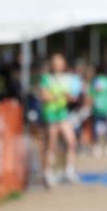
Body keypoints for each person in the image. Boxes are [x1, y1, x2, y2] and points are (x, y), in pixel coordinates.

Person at [38, 52, 80, 186]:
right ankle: (47, 173)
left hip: (63, 115)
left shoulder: (68, 79)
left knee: (72, 141)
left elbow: (73, 96)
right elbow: (44, 96)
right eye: (55, 62)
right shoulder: (47, 79)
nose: (57, 65)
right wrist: (57, 96)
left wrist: (70, 98)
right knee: (51, 145)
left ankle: (69, 170)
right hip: (51, 115)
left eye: (59, 62)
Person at [88, 65, 107, 157]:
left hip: (97, 106)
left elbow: (91, 93)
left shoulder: (95, 80)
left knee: (96, 127)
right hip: (106, 106)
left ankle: (97, 146)